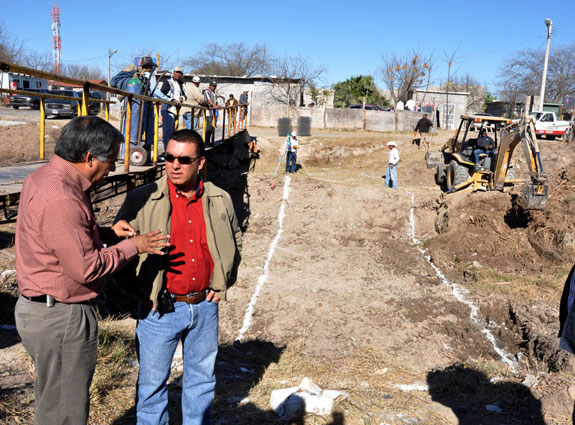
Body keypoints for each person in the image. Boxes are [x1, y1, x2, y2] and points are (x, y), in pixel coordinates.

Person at [14, 116, 169, 425]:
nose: (112, 168)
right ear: (88, 158)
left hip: (45, 311)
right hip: (61, 319)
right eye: (110, 160)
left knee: (55, 402)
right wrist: (134, 246)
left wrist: (107, 235)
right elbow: (86, 269)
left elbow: (60, 238)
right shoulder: (61, 198)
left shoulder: (45, 178)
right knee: (64, 413)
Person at [114, 129, 242, 425]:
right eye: (169, 157)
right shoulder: (142, 198)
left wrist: (223, 283)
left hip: (205, 306)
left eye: (184, 159)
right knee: (152, 388)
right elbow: (119, 247)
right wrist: (137, 293)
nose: (174, 165)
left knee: (201, 382)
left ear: (200, 163)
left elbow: (235, 240)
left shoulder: (219, 199)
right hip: (160, 310)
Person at [155, 66, 186, 154]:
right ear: (174, 72)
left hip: (176, 110)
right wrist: (170, 99)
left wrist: (181, 98)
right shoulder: (168, 82)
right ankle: (167, 152)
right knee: (167, 132)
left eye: (180, 73)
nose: (178, 74)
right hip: (168, 109)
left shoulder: (182, 84)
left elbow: (185, 96)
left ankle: (171, 151)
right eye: (176, 72)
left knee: (173, 133)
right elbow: (161, 94)